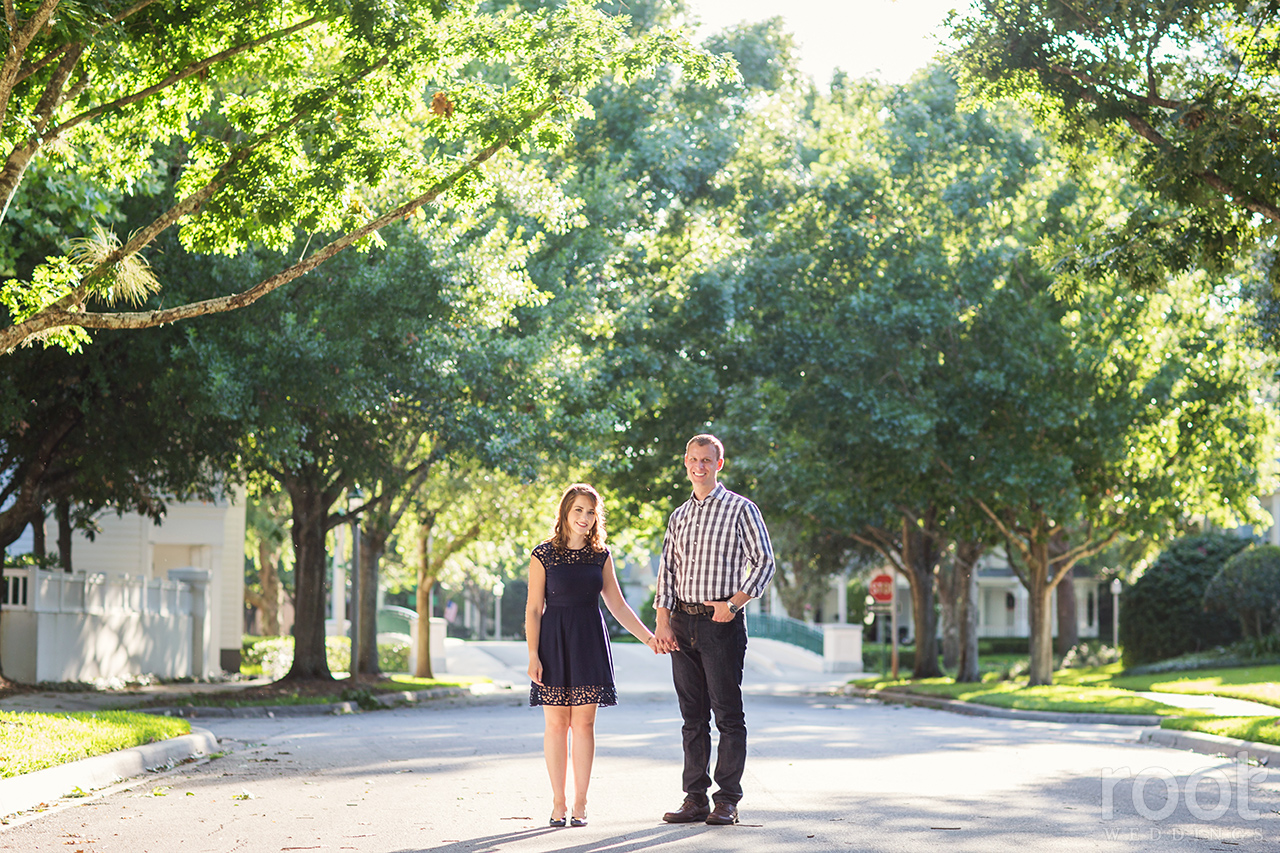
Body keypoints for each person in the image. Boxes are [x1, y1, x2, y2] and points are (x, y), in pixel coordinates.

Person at [652, 434, 775, 827]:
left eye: (707, 460)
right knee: (692, 717)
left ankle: (727, 800)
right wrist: (662, 620)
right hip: (682, 623)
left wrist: (734, 603)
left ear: (719, 464)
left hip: (721, 623)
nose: (699, 466)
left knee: (727, 714)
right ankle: (695, 799)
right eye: (693, 459)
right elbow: (667, 572)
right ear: (685, 462)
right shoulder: (679, 516)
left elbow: (764, 562)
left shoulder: (741, 509)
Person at [526, 483, 659, 828]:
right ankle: (558, 803)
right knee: (556, 725)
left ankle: (580, 804)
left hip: (588, 640)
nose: (584, 518)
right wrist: (532, 654)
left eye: (590, 512)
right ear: (565, 513)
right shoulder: (542, 554)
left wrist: (648, 638)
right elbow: (533, 608)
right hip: (552, 642)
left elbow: (617, 604)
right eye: (578, 511)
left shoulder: (601, 555)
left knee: (583, 724)